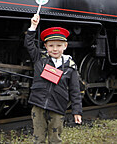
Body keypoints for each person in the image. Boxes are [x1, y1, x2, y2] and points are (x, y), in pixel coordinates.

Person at [25, 14, 82, 143]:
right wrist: (33, 26)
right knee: (38, 138)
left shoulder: (70, 67)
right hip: (39, 106)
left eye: (58, 45)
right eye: (51, 45)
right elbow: (29, 44)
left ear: (65, 46)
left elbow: (75, 90)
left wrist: (76, 111)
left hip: (57, 107)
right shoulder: (40, 60)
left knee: (55, 139)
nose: (55, 49)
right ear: (45, 46)